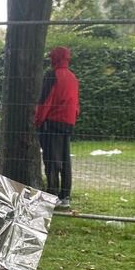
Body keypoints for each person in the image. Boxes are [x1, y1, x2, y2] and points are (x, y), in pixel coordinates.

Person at [35, 46, 80, 209]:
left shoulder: (52, 75)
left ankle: (52, 195)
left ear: (55, 58)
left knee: (51, 161)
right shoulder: (73, 78)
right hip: (68, 122)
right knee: (65, 159)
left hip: (52, 123)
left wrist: (37, 121)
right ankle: (65, 195)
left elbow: (45, 102)